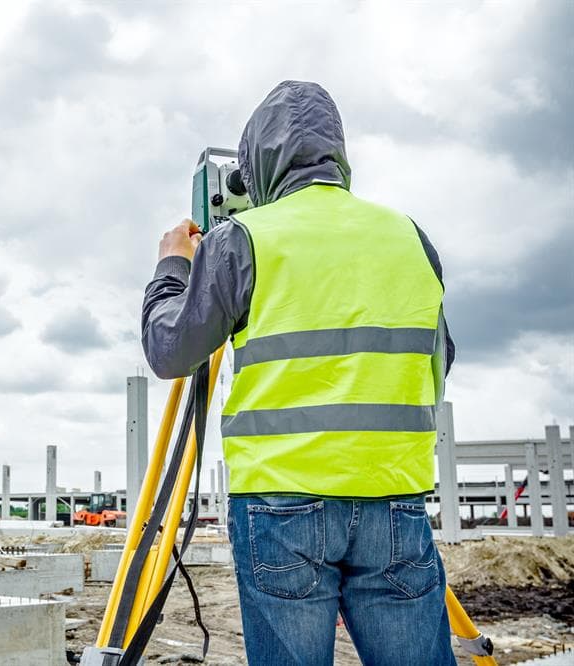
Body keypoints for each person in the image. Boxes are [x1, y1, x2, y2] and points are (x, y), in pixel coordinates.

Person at [141, 80, 456, 665]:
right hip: (395, 495)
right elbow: (437, 367)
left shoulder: (243, 238)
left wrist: (174, 267)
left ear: (257, 160)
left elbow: (170, 350)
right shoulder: (410, 237)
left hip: (282, 504)